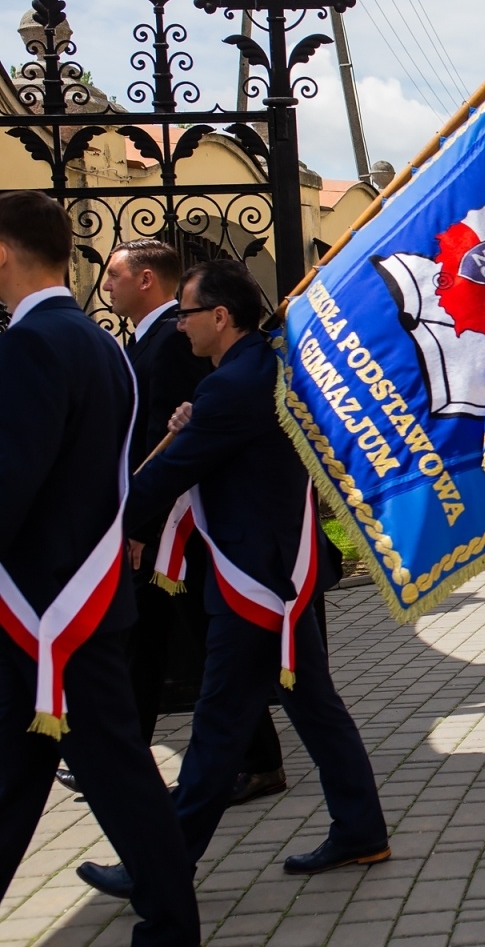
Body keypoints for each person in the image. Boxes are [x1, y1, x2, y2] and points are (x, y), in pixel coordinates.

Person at [78, 259, 388, 900]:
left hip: (251, 581)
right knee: (315, 705)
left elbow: (167, 476)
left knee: (218, 728)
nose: (181, 326)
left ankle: (157, 867)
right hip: (278, 573)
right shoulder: (256, 371)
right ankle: (360, 828)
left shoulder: (234, 386)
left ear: (221, 317)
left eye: (188, 313)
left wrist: (105, 527)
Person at [0, 191, 200, 945]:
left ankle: (173, 923)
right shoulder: (96, 343)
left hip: (50, 608)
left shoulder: (29, 345)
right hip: (74, 598)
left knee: (117, 779)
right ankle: (171, 918)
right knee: (21, 778)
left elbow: (12, 478)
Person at [60, 239, 288, 807]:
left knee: (185, 645)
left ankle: (157, 774)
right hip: (170, 520)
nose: (105, 286)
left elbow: (179, 447)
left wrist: (131, 522)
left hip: (182, 525)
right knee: (161, 642)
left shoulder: (173, 344)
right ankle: (132, 759)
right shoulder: (156, 340)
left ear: (145, 280)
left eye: (114, 275)